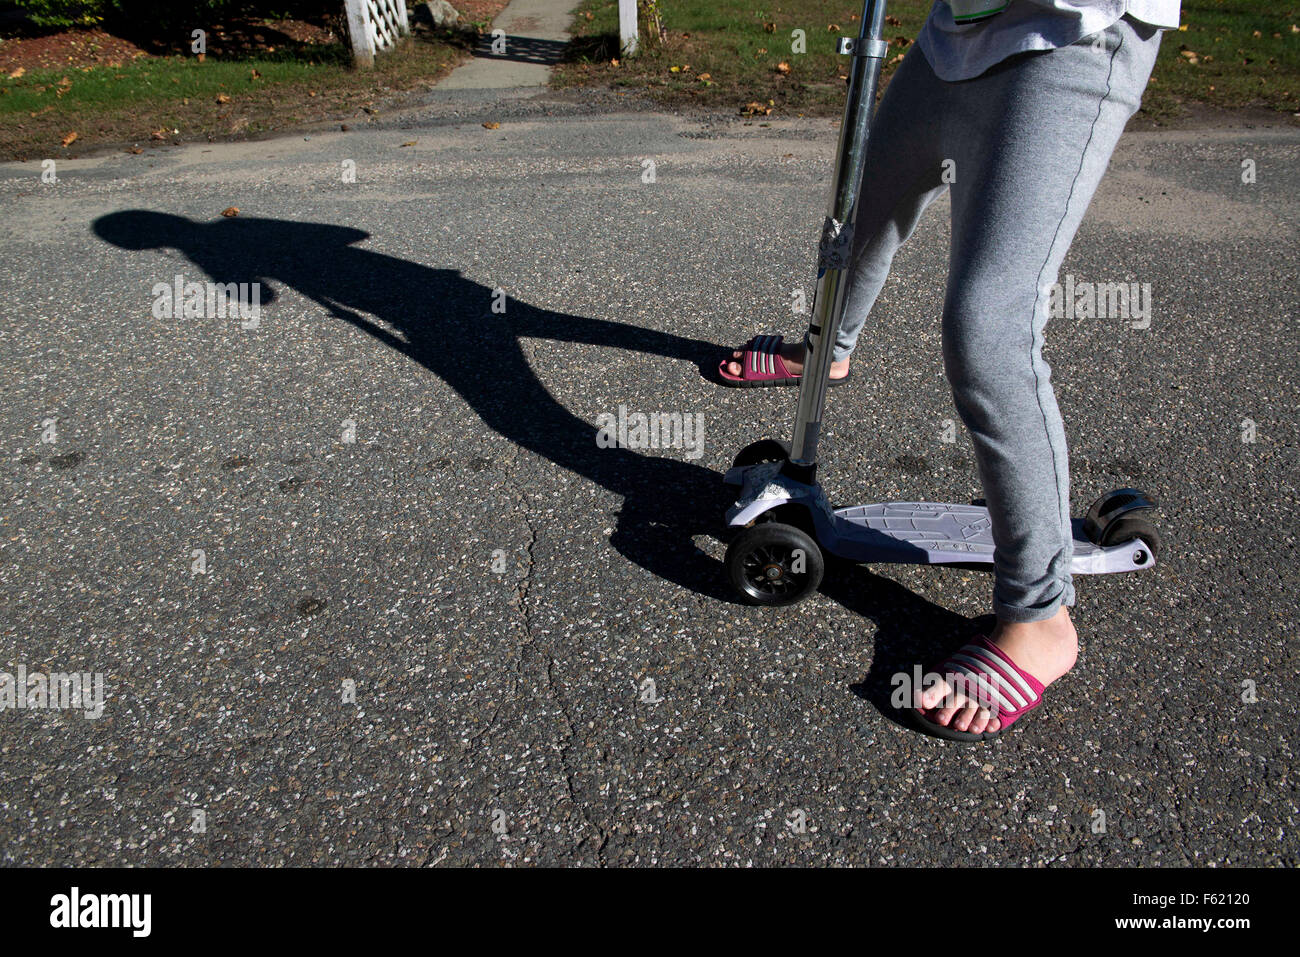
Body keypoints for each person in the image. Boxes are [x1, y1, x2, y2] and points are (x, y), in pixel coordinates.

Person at [719, 0, 1181, 740]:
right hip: (952, 39)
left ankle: (1041, 619)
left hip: (1073, 36)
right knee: (854, 225)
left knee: (987, 329)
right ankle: (824, 353)